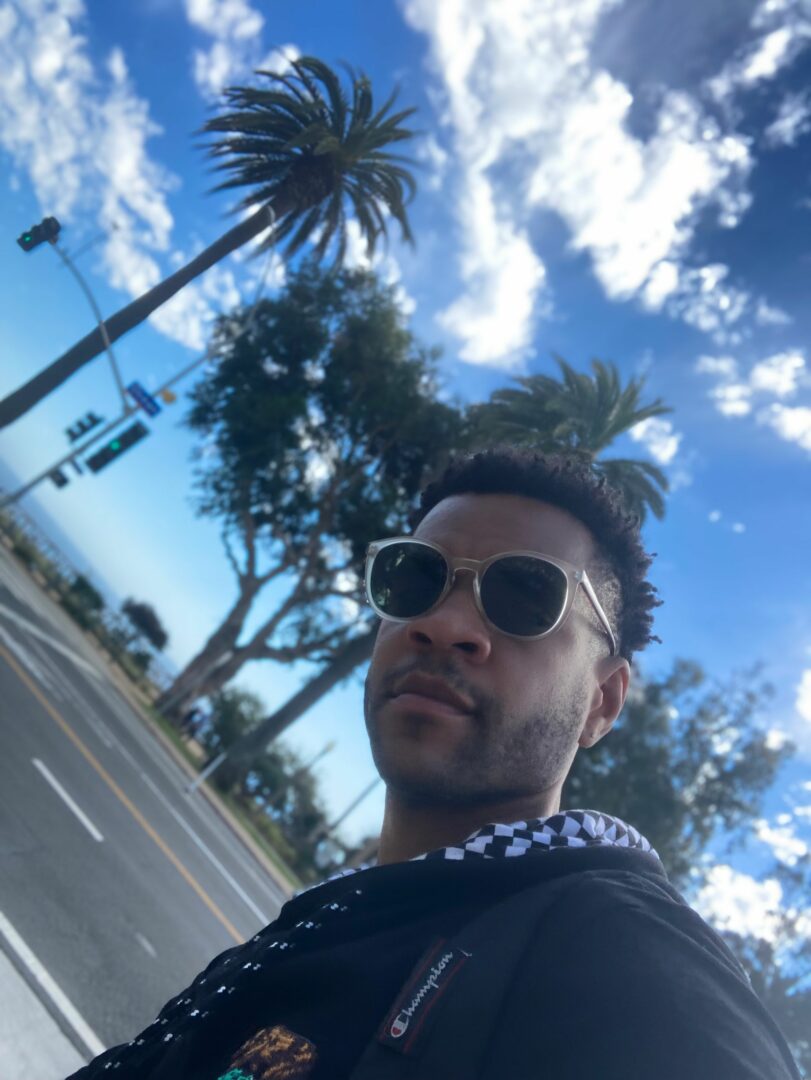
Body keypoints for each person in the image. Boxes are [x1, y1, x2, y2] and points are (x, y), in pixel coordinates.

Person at [67, 448, 802, 1080]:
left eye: (524, 596)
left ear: (601, 703)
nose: (443, 624)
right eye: (415, 578)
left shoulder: (619, 954)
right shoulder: (358, 906)